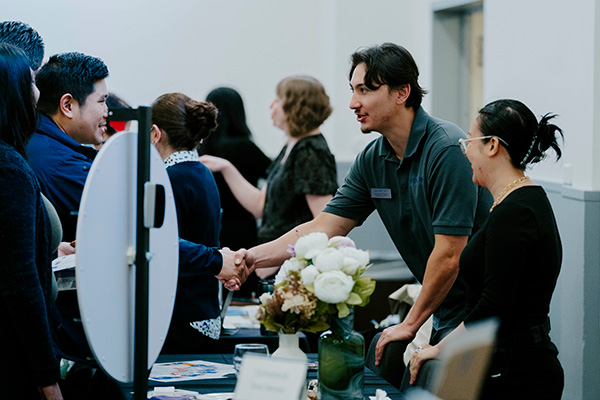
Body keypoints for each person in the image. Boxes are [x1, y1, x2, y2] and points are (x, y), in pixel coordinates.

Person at [234, 43, 491, 387]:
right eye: (353, 91)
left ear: (402, 92)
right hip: (443, 310)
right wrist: (250, 257)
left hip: (482, 316)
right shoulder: (373, 158)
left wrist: (409, 324)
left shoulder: (444, 149)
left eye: (365, 91)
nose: (354, 103)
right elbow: (323, 226)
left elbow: (449, 254)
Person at [408, 99, 564, 399]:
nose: (465, 150)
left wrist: (438, 348)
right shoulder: (516, 202)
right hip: (507, 362)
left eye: (469, 140)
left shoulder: (515, 212)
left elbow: (494, 306)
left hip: (517, 372)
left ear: (492, 146)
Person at [200, 76, 338, 279]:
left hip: (291, 268)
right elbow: (260, 206)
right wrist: (226, 168)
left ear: (295, 107)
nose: (271, 106)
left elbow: (325, 223)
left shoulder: (310, 151)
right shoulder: (291, 147)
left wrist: (282, 259)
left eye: (278, 101)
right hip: (275, 266)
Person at [151, 92, 246, 353]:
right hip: (202, 307)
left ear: (155, 133)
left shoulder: (172, 178)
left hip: (181, 313)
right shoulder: (201, 172)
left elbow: (162, 245)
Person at [0, 43, 63, 400]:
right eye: (31, 82)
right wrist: (47, 379)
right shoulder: (8, 168)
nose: (38, 94)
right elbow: (20, 284)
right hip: (12, 356)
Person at [26, 51, 110, 243]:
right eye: (101, 101)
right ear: (67, 105)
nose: (107, 112)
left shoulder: (36, 141)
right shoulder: (63, 166)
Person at [200, 87, 271, 298]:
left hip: (212, 228)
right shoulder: (245, 147)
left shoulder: (202, 150)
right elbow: (275, 173)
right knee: (242, 286)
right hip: (242, 227)